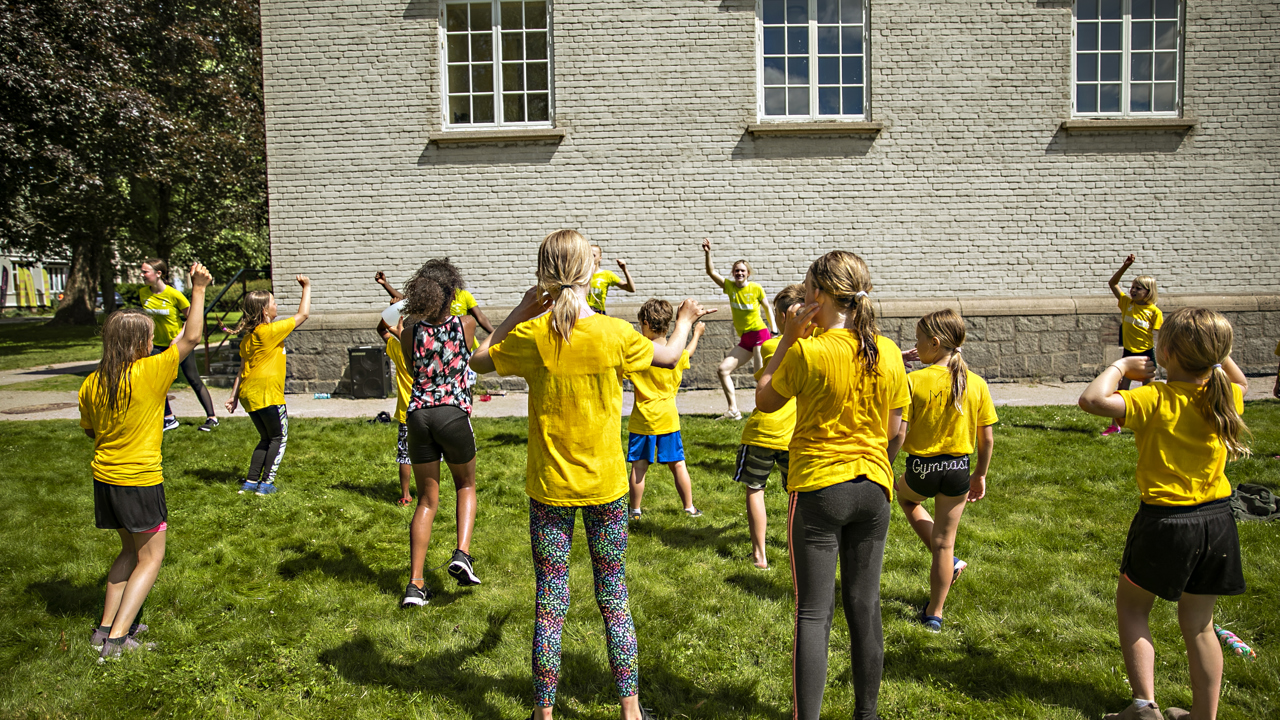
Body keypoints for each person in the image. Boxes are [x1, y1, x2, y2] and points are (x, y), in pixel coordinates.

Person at [470, 229, 711, 720]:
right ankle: (631, 711)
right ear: (590, 272)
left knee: (550, 602)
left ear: (543, 276)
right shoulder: (615, 333)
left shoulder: (532, 335)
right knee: (614, 597)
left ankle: (544, 713)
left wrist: (520, 310)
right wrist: (685, 321)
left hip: (550, 490)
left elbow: (477, 360)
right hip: (606, 487)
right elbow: (669, 356)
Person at [755, 250, 907, 720]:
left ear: (819, 296)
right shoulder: (889, 351)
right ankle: (867, 714)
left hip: (820, 488)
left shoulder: (808, 351)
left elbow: (764, 399)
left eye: (806, 291)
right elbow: (896, 430)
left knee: (813, 613)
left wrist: (785, 339)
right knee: (865, 604)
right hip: (874, 488)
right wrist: (877, 466)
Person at [1078, 307, 1250, 720]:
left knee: (1133, 608)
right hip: (1218, 522)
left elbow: (1092, 399)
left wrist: (1121, 366)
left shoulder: (1154, 398)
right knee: (1200, 625)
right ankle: (1203, 716)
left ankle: (1144, 707)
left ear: (1166, 353)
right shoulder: (1225, 395)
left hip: (1165, 523)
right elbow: (1240, 380)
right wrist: (1215, 353)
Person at [81, 263, 213, 661]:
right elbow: (191, 336)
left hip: (105, 478)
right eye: (151, 337)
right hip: (138, 480)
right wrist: (198, 288)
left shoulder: (92, 381)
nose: (155, 342)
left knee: (128, 552)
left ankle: (104, 630)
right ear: (140, 342)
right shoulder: (152, 370)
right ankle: (118, 641)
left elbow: (90, 431)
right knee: (151, 557)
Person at [891, 309, 997, 632]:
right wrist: (980, 474)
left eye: (918, 340)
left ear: (934, 343)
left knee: (906, 498)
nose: (916, 346)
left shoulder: (913, 381)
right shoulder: (976, 383)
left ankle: (950, 564)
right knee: (943, 542)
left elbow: (899, 434)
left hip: (922, 469)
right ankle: (934, 614)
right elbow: (987, 439)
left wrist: (885, 463)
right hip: (958, 470)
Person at [394, 258, 482, 607]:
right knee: (465, 485)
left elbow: (411, 367)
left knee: (426, 501)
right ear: (451, 294)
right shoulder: (466, 325)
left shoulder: (409, 333)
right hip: (452, 414)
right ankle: (462, 553)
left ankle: (415, 585)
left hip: (417, 417)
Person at [735, 284, 804, 569]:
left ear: (784, 316)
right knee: (798, 495)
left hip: (761, 432)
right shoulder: (814, 347)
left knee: (755, 489)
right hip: (793, 437)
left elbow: (760, 378)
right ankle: (800, 550)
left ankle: (759, 555)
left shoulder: (771, 346)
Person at [225, 276, 312, 496]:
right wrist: (306, 287)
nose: (276, 305)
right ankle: (266, 485)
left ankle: (250, 482)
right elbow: (303, 315)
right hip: (267, 395)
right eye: (273, 302)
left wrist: (233, 397)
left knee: (266, 438)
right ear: (265, 311)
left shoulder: (248, 338)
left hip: (249, 395)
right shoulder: (269, 332)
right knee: (278, 438)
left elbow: (241, 369)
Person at [625, 298, 706, 520]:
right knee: (678, 465)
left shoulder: (639, 354)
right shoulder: (676, 354)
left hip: (643, 420)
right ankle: (689, 508)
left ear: (645, 323)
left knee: (639, 467)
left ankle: (635, 511)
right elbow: (688, 352)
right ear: (668, 325)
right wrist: (696, 334)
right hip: (668, 419)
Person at [138, 258, 218, 432]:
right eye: (142, 271)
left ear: (158, 273)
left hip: (179, 344)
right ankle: (168, 418)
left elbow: (192, 317)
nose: (142, 275)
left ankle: (212, 417)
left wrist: (178, 337)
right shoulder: (143, 293)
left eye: (145, 271)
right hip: (156, 345)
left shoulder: (174, 294)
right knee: (157, 381)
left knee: (193, 379)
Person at [701, 237, 776, 420]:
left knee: (759, 376)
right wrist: (708, 253)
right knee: (723, 370)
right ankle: (733, 411)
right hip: (745, 339)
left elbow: (768, 308)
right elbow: (711, 272)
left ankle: (766, 412)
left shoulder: (756, 288)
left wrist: (774, 330)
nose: (739, 273)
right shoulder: (730, 287)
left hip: (760, 334)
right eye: (736, 271)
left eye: (742, 270)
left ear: (748, 273)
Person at [1104, 254, 1163, 436]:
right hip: (1128, 354)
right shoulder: (1126, 303)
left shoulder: (1154, 312)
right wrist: (1125, 266)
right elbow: (1113, 283)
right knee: (1121, 390)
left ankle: (1150, 426)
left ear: (1149, 291)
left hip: (1146, 356)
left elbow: (1161, 335)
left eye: (1138, 288)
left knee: (1149, 392)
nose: (1133, 290)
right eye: (1132, 287)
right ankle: (1115, 425)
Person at [372, 272, 415, 507]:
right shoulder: (425, 347)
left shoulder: (397, 349)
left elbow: (381, 330)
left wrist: (394, 310)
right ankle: (430, 494)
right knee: (430, 455)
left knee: (405, 455)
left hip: (406, 412)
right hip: (429, 409)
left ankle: (405, 495)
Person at [587, 244, 636, 315]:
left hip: (598, 312)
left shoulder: (607, 274)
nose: (590, 258)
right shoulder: (580, 275)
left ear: (600, 258)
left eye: (593, 255)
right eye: (588, 255)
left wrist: (624, 269)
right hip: (583, 312)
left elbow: (631, 289)